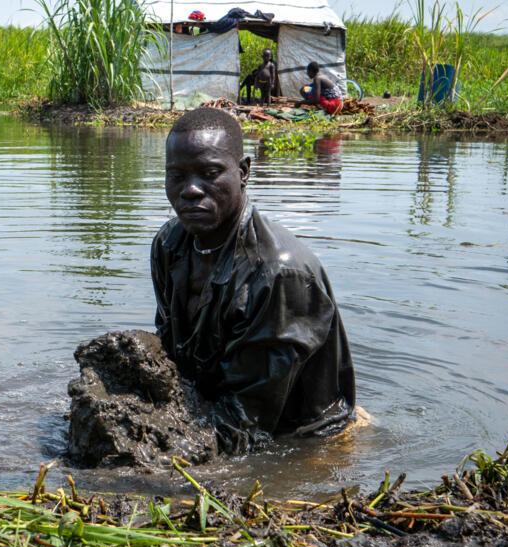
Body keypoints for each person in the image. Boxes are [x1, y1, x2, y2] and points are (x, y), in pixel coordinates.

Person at [150, 107, 357, 454]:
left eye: (209, 173)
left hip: (300, 437)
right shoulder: (171, 244)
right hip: (218, 410)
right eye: (177, 176)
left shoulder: (279, 274)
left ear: (243, 171)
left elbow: (249, 423)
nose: (191, 191)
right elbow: (169, 356)